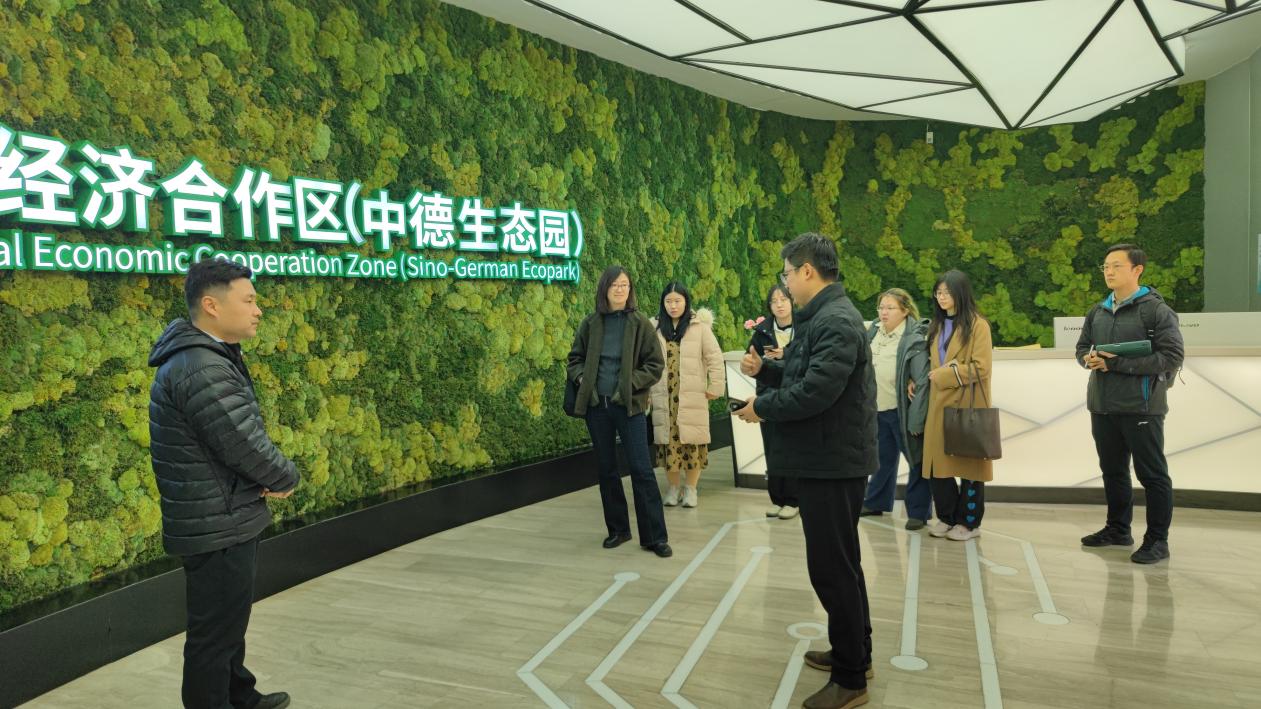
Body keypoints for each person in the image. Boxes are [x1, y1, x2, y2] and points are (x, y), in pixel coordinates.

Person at [734, 233, 877, 709]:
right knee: (843, 564)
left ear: (808, 271)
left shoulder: (836, 321)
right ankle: (854, 653)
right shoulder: (822, 317)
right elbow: (803, 372)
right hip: (826, 458)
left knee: (832, 569)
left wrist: (762, 407)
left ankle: (850, 679)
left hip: (832, 463)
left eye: (788, 274)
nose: (786, 284)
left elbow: (816, 392)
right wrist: (766, 373)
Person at [148, 258, 298, 709]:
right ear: (212, 305)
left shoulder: (208, 356)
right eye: (248, 300)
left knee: (228, 624)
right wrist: (283, 477)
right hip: (216, 522)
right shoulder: (200, 367)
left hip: (224, 515)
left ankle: (239, 696)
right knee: (214, 634)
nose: (258, 309)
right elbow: (242, 441)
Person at [1075, 244, 1184, 565]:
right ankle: (1118, 529)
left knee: (1152, 475)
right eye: (1105, 266)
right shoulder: (1097, 311)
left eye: (1116, 266)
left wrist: (1116, 363)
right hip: (1102, 405)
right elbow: (1081, 348)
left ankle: (1157, 541)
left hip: (1142, 406)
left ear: (1137, 270)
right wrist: (1088, 358)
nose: (1109, 271)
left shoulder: (1156, 311)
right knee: (1113, 471)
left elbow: (1172, 356)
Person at [567, 266, 672, 558]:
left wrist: (630, 384)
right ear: (605, 289)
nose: (620, 289)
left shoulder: (640, 324)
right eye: (615, 285)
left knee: (641, 470)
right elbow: (574, 359)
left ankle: (655, 537)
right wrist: (581, 378)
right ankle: (618, 530)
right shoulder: (590, 323)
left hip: (630, 406)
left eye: (625, 284)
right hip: (596, 408)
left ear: (630, 289)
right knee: (607, 469)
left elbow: (655, 364)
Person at [922, 270, 994, 542]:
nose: (941, 297)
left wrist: (945, 375)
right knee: (937, 466)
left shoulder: (978, 325)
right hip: (938, 405)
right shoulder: (937, 325)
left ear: (961, 293)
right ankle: (947, 517)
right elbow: (931, 362)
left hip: (967, 404)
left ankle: (969, 523)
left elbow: (981, 368)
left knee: (969, 468)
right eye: (938, 292)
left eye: (947, 292)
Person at [861, 288, 933, 530]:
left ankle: (918, 512)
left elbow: (921, 379)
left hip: (902, 411)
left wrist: (916, 417)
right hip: (877, 408)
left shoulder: (914, 337)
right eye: (881, 307)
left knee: (916, 460)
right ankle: (875, 501)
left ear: (904, 311)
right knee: (882, 459)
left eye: (890, 308)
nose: (884, 312)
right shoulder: (873, 331)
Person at [649, 282, 725, 509]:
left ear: (686, 302)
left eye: (677, 301)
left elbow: (714, 357)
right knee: (668, 444)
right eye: (668, 301)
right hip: (663, 396)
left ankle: (691, 489)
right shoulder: (654, 327)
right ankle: (673, 488)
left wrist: (716, 386)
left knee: (692, 443)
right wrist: (645, 394)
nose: (673, 306)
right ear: (663, 303)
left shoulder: (699, 327)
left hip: (692, 396)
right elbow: (644, 361)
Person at [747, 285, 800, 520]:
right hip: (769, 397)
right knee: (772, 449)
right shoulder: (762, 332)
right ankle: (777, 499)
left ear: (792, 301)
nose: (779, 304)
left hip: (797, 397)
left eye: (783, 299)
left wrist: (785, 355)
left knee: (793, 449)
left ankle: (794, 500)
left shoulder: (805, 328)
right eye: (774, 301)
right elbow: (754, 361)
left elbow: (808, 359)